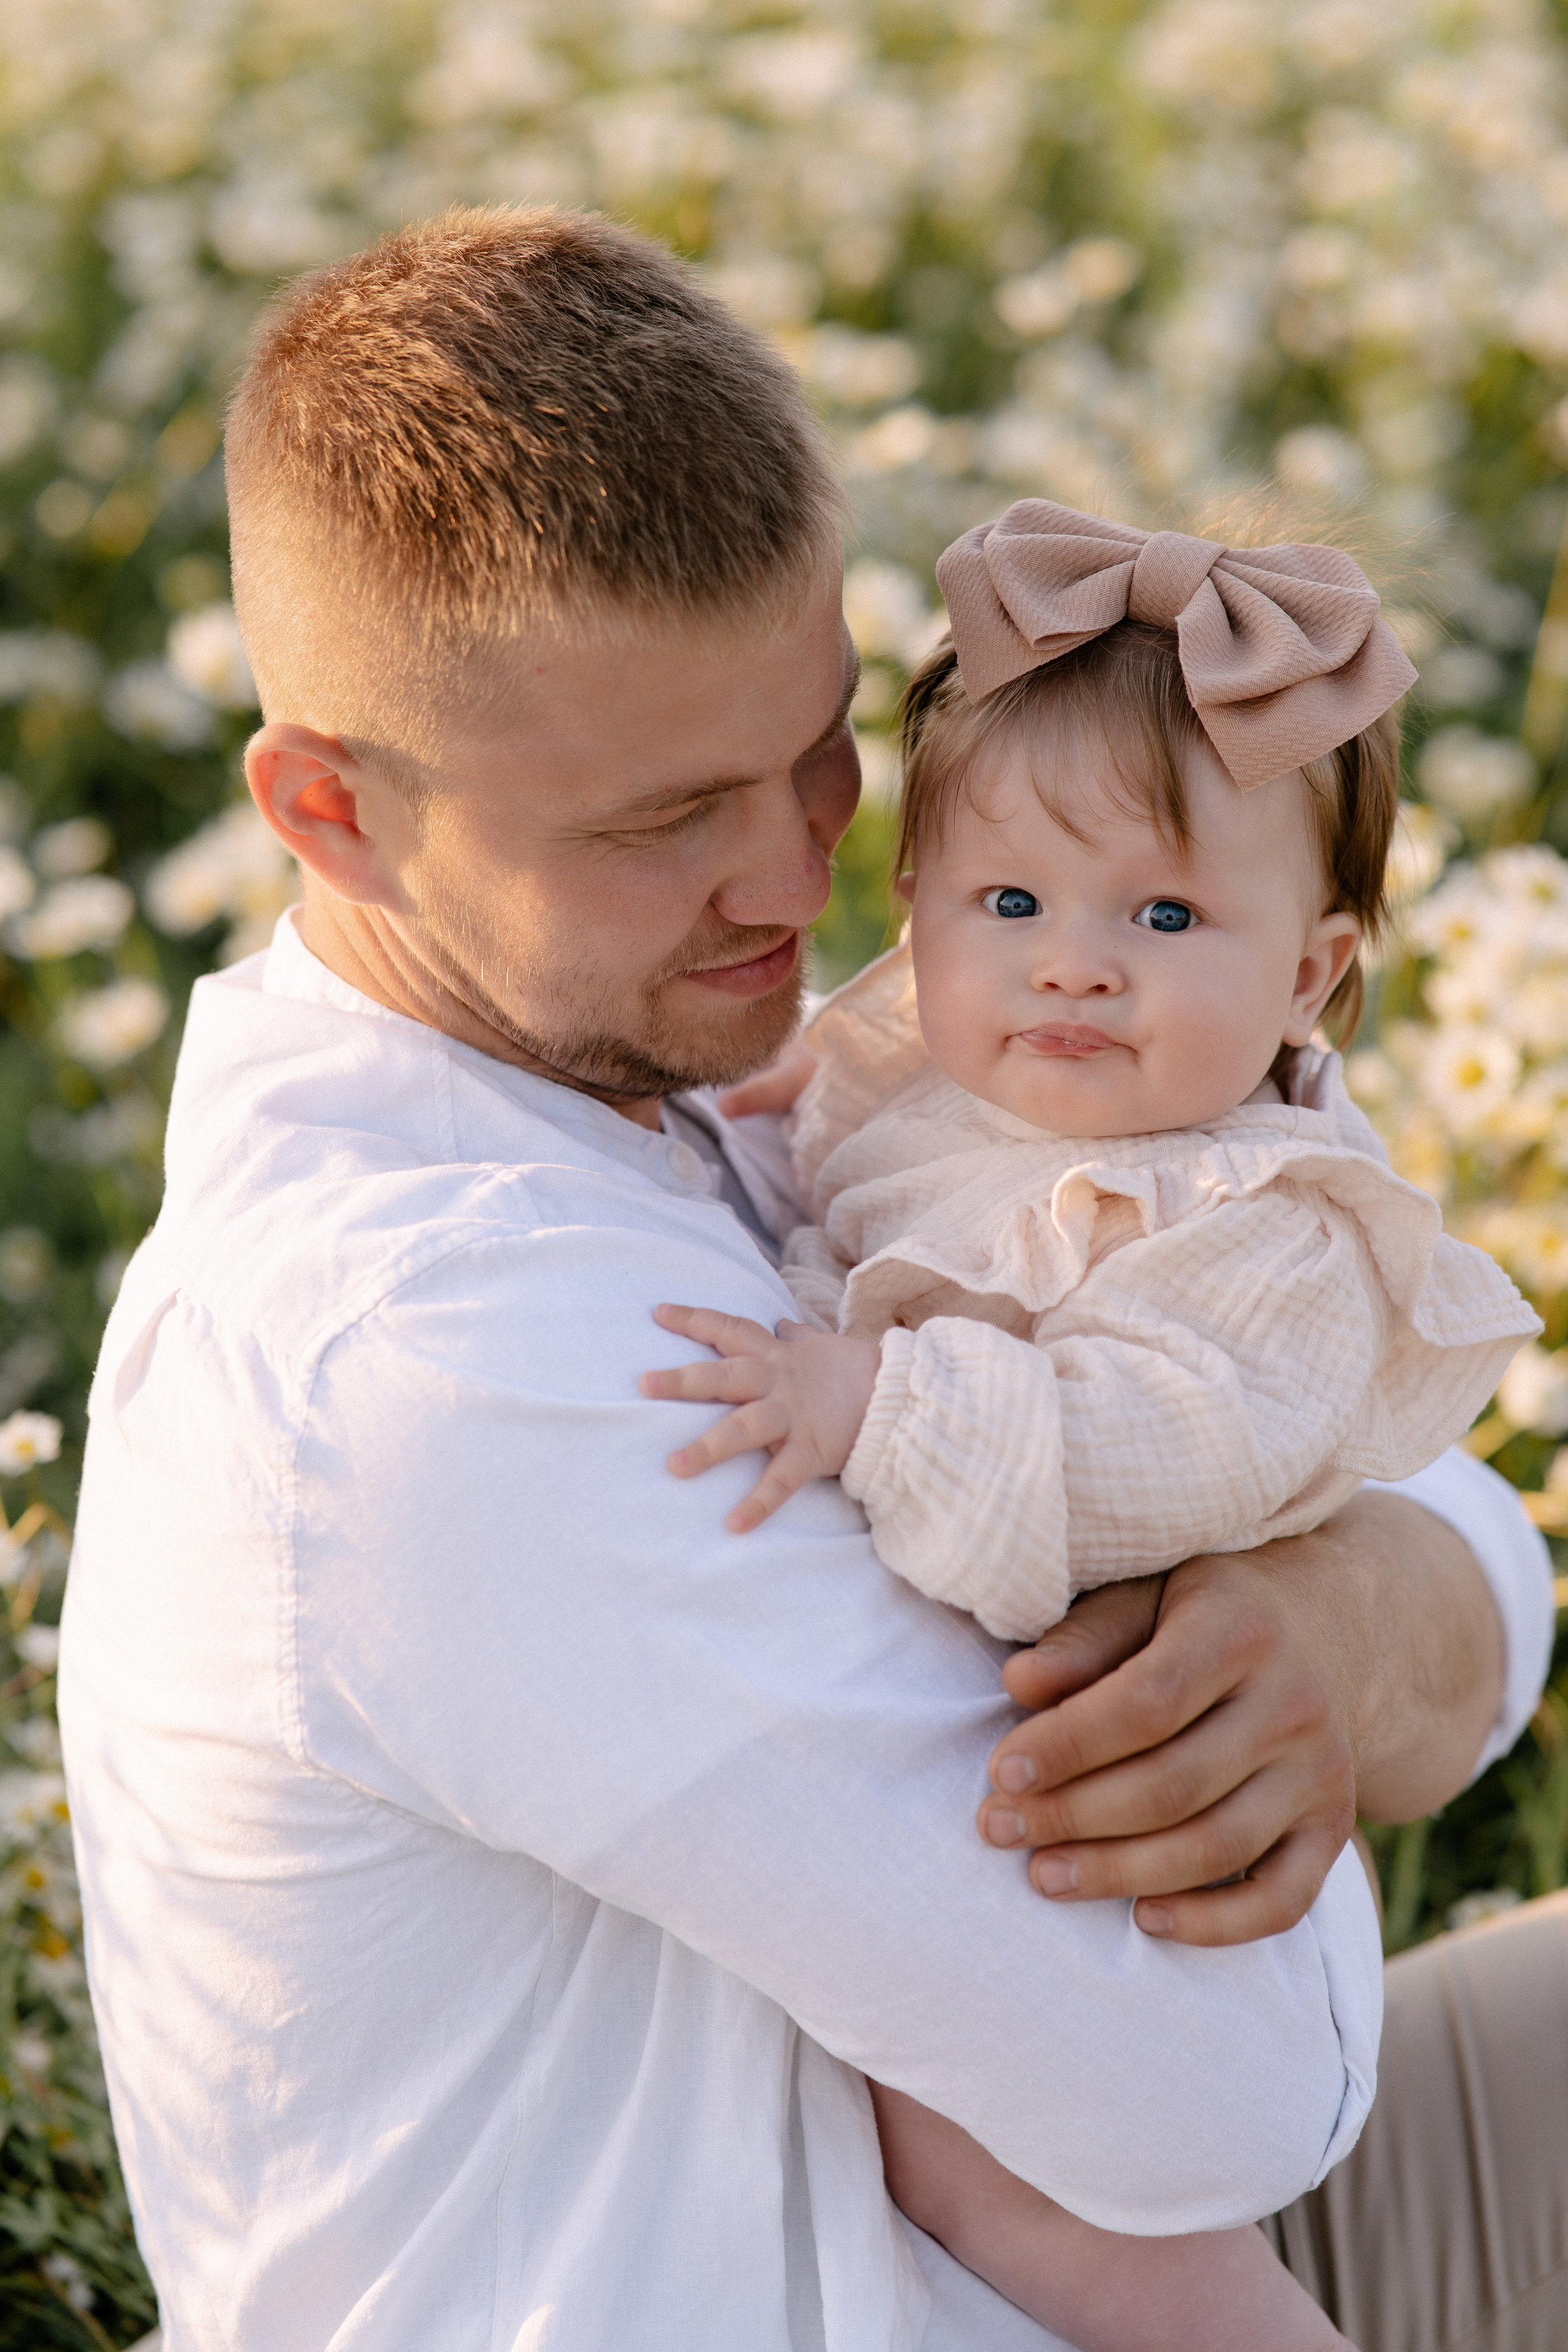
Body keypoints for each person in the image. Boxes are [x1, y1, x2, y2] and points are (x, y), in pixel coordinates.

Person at [57, 208, 1556, 2352]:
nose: (791, 873)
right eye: (666, 817)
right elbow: (1219, 2111)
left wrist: (1352, 1608)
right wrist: (1308, 1609)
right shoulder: (440, 1358)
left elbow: (1410, 1487)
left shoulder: (673, 1068)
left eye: (819, 744)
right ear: (329, 813)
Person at [639, 500, 1539, 2351]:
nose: (1072, 964)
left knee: (1019, 2187)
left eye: (1165, 914)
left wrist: (885, 1399)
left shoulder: (1266, 1228)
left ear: (1311, 972)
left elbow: (1158, 1447)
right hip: (947, 1820)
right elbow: (836, 1097)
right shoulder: (944, 1075)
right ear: (920, 913)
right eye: (1013, 904)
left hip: (1120, 1834)